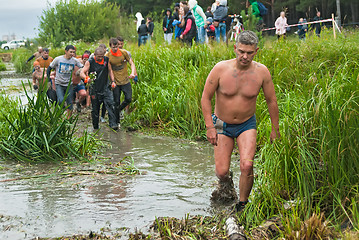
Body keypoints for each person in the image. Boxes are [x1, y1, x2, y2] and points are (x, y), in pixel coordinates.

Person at [201, 31, 280, 211]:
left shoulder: (262, 72)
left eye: (249, 53)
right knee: (221, 172)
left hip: (246, 124)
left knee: (247, 164)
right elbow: (206, 97)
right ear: (235, 48)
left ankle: (242, 204)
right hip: (221, 124)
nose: (244, 56)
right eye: (241, 51)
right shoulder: (221, 69)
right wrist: (210, 127)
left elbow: (271, 101)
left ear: (256, 51)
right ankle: (227, 185)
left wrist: (275, 129)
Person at [80, 47, 118, 130]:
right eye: (99, 56)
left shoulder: (106, 60)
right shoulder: (90, 62)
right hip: (95, 88)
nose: (100, 58)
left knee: (111, 104)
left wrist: (113, 81)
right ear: (95, 54)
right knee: (95, 109)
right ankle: (96, 127)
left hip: (105, 87)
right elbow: (82, 72)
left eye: (102, 56)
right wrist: (87, 78)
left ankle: (113, 124)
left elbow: (110, 70)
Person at [105, 38, 137, 126]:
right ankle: (117, 122)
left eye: (117, 47)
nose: (116, 48)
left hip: (125, 80)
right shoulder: (107, 56)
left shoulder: (124, 53)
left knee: (128, 98)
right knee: (116, 101)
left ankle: (119, 110)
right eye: (114, 47)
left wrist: (132, 73)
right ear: (110, 46)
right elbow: (109, 70)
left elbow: (131, 63)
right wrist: (112, 81)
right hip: (116, 82)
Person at [46, 45, 83, 117]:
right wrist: (48, 80)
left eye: (73, 52)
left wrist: (81, 70)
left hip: (69, 84)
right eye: (70, 52)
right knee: (61, 100)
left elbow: (83, 67)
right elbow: (49, 68)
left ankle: (68, 118)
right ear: (66, 51)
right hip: (59, 83)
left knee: (70, 102)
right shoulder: (58, 59)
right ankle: (59, 114)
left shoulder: (74, 61)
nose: (72, 54)